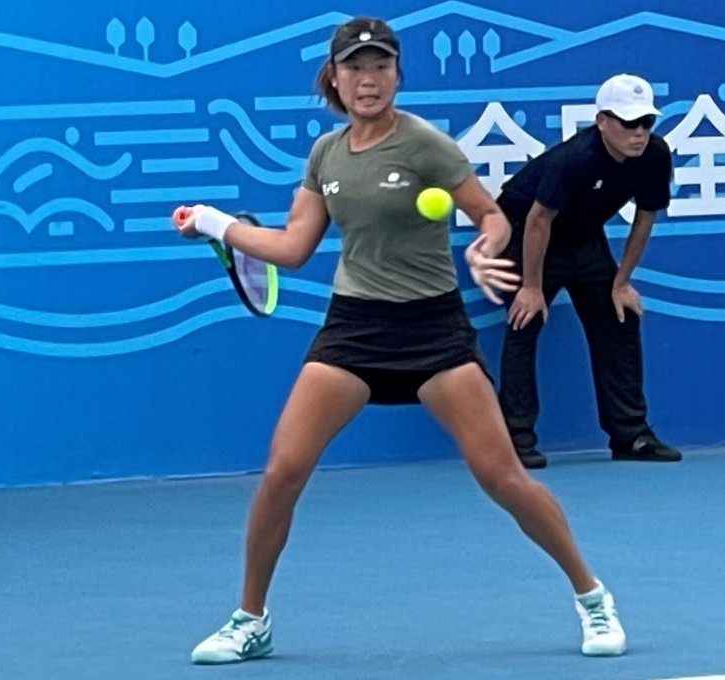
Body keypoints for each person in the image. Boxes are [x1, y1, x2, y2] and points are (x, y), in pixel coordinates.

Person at [174, 17, 627, 664]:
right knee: (282, 472)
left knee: (502, 476)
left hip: (432, 330)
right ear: (334, 77)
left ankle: (592, 596)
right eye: (355, 67)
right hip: (354, 328)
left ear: (397, 74)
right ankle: (251, 620)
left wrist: (484, 248)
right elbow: (293, 247)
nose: (369, 79)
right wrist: (215, 223)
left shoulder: (425, 146)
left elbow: (492, 215)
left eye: (381, 66)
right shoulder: (325, 155)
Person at [496, 74, 683, 470]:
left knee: (620, 315)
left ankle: (630, 435)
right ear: (602, 121)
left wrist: (621, 282)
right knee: (524, 320)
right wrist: (531, 287)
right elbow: (538, 220)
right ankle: (515, 439)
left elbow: (645, 217)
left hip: (582, 236)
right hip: (523, 229)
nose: (639, 132)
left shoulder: (655, 154)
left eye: (646, 122)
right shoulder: (575, 158)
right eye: (628, 122)